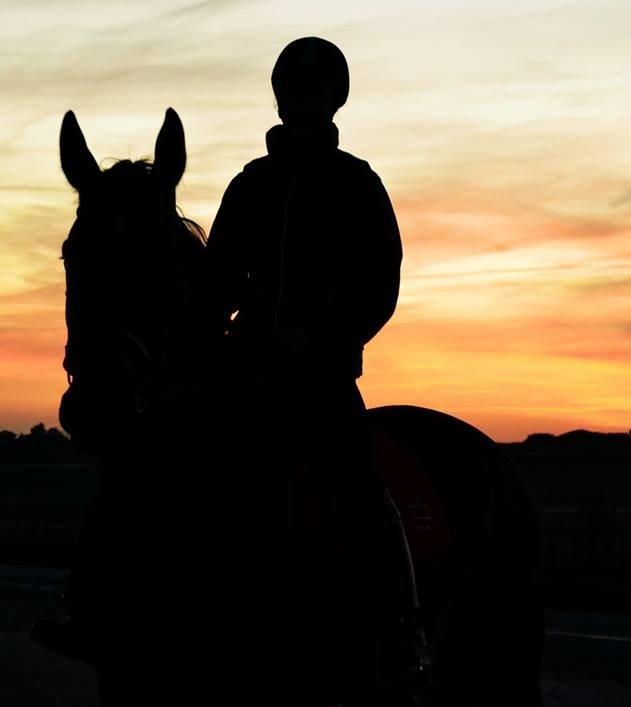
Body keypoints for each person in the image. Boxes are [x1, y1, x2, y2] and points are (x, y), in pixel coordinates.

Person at [206, 36, 403, 706]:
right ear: (280, 99)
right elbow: (217, 282)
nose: (302, 104)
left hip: (319, 380)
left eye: (316, 93)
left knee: (364, 492)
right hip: (244, 374)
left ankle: (402, 639)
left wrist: (319, 340)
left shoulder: (359, 187)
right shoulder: (249, 187)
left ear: (333, 101)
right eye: (293, 92)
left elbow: (380, 286)